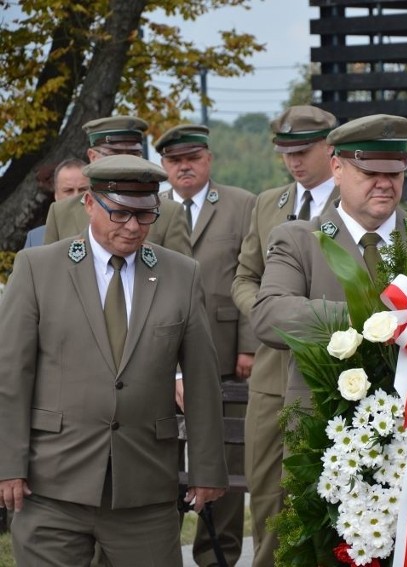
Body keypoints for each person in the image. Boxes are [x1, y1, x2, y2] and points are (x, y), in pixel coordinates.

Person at [0, 154, 228, 567]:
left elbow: (201, 378)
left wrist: (208, 468)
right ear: (89, 203)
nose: (133, 227)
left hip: (145, 488)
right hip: (51, 486)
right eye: (120, 213)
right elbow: (11, 374)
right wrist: (7, 463)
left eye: (145, 216)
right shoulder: (38, 268)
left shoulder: (181, 274)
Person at [251, 113, 407, 406]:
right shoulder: (299, 240)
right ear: (337, 168)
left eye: (394, 173)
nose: (384, 184)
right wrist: (359, 318)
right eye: (370, 173)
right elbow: (269, 315)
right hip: (324, 427)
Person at [231, 104, 338, 567]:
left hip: (332, 371)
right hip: (272, 373)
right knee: (268, 494)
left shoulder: (355, 203)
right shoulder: (267, 203)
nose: (293, 162)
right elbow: (243, 277)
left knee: (325, 494)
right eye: (285, 152)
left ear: (330, 149)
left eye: (303, 151)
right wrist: (267, 315)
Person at [154, 123, 257, 567]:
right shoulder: (148, 208)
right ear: (164, 166)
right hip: (159, 359)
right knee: (161, 461)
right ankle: (159, 551)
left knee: (227, 463)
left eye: (192, 159)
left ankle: (219, 555)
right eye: (175, 161)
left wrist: (249, 343)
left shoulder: (241, 204)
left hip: (225, 354)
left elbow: (254, 274)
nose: (184, 167)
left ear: (208, 159)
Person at [42, 116, 192, 256]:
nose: (125, 162)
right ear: (92, 157)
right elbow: (51, 273)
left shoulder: (168, 212)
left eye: (134, 154)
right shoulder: (61, 212)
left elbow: (179, 276)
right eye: (115, 154)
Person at [23, 158, 89, 248]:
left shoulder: (110, 230)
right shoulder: (35, 239)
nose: (76, 197)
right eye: (69, 191)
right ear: (56, 195)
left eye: (82, 190)